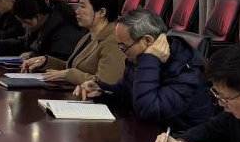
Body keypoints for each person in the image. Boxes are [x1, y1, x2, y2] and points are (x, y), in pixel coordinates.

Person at [76, 8, 213, 130]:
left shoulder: (187, 70)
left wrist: (149, 59)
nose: (123, 53)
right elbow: (127, 93)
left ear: (148, 41)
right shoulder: (138, 57)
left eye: (124, 47)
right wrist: (101, 90)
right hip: (150, 134)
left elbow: (147, 110)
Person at [21, 0, 124, 85]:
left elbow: (106, 82)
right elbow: (73, 67)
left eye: (82, 6)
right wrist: (45, 61)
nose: (77, 11)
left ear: (101, 12)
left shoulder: (113, 41)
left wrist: (68, 74)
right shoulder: (88, 37)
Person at [14, 0, 82, 64]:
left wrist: (34, 56)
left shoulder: (64, 32)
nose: (23, 26)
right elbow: (25, 42)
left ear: (38, 16)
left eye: (25, 22)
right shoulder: (42, 26)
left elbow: (60, 61)